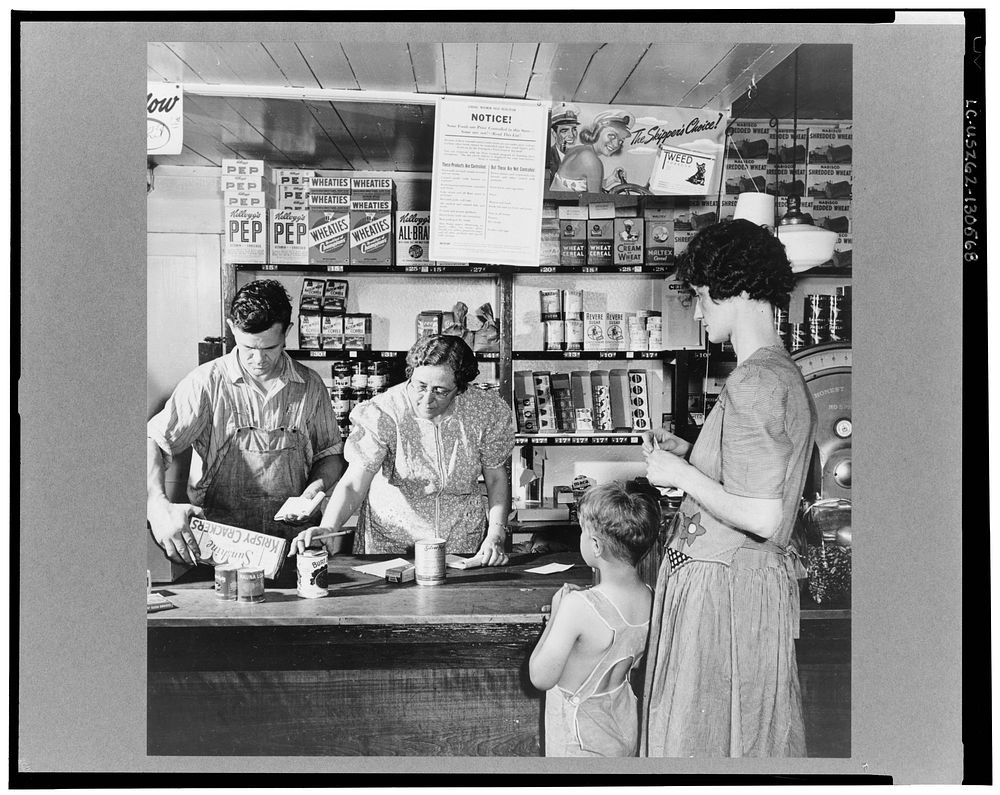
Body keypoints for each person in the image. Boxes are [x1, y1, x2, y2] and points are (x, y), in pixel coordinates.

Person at [639, 219, 817, 757]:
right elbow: (758, 482)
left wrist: (681, 476)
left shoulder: (754, 380)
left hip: (726, 595)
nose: (697, 312)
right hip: (743, 584)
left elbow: (762, 515)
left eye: (701, 298)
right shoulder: (778, 371)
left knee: (706, 746)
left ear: (737, 291)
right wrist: (692, 457)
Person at [147, 279, 345, 565]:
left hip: (292, 548)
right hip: (220, 548)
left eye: (270, 348)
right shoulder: (206, 383)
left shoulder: (310, 385)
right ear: (232, 328)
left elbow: (330, 455)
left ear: (287, 331)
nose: (258, 359)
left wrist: (314, 489)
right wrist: (157, 504)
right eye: (248, 347)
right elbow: (153, 440)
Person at [289, 334, 514, 566]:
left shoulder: (485, 411)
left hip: (460, 545)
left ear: (460, 388)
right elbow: (355, 482)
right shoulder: (384, 411)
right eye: (420, 386)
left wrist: (496, 534)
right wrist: (329, 526)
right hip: (393, 547)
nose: (426, 399)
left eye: (440, 391)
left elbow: (496, 477)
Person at [528, 482, 659, 757]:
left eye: (583, 532)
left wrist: (555, 614)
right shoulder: (652, 597)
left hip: (577, 747)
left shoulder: (577, 606)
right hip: (622, 733)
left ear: (596, 546)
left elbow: (540, 677)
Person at [549, 109, 633, 193]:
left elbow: (583, 188)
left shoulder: (578, 150)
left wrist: (611, 179)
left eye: (621, 140)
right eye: (612, 136)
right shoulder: (591, 160)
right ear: (597, 132)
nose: (616, 144)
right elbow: (595, 199)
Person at [548, 102, 580, 169]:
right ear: (554, 133)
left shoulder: (580, 158)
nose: (571, 135)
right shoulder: (547, 157)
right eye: (564, 131)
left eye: (574, 129)